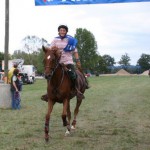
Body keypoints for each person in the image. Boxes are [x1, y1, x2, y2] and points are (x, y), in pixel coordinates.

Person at [41, 25, 89, 101]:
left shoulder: (70, 40)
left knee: (73, 75)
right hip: (57, 62)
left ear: (66, 32)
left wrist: (77, 60)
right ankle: (49, 93)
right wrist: (53, 50)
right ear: (59, 31)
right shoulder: (54, 40)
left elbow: (75, 52)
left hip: (68, 61)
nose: (62, 31)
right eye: (61, 30)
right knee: (49, 75)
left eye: (64, 30)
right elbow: (50, 51)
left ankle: (77, 90)